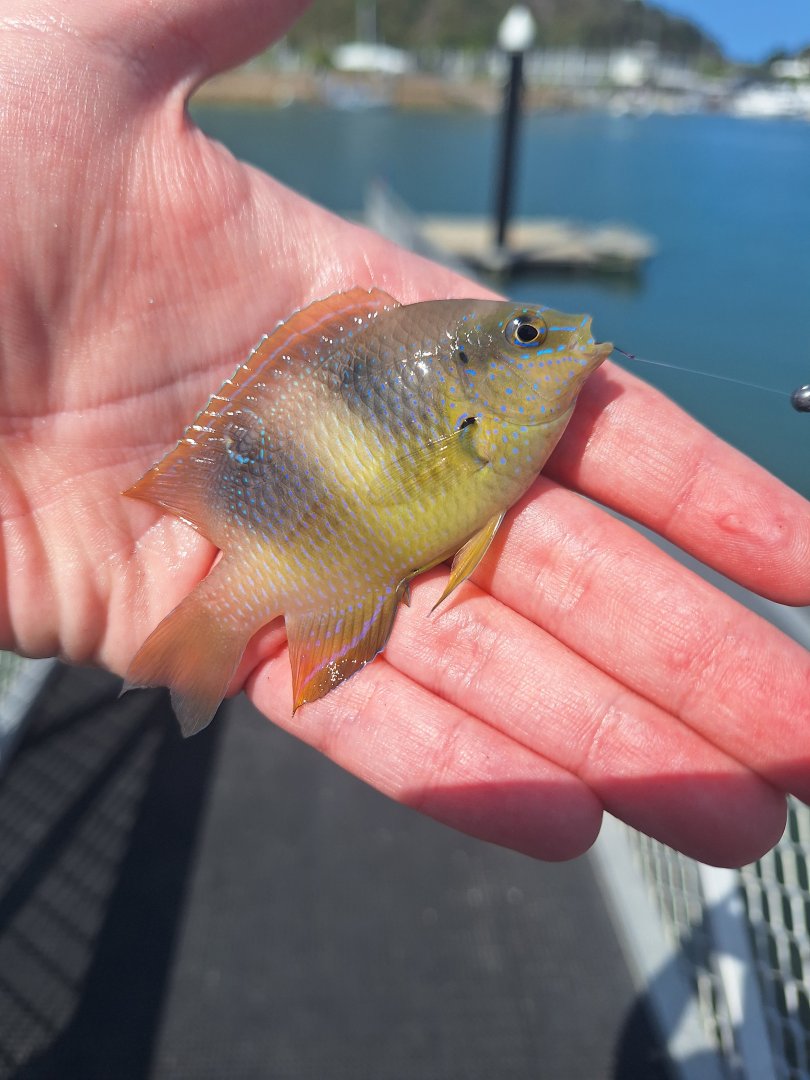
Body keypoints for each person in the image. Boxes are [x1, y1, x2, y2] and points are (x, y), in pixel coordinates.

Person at [1, 0, 808, 868]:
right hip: (326, 534)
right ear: (478, 370)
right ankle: (212, 629)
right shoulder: (478, 416)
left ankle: (211, 638)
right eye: (529, 336)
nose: (560, 338)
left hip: (342, 534)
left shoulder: (485, 409)